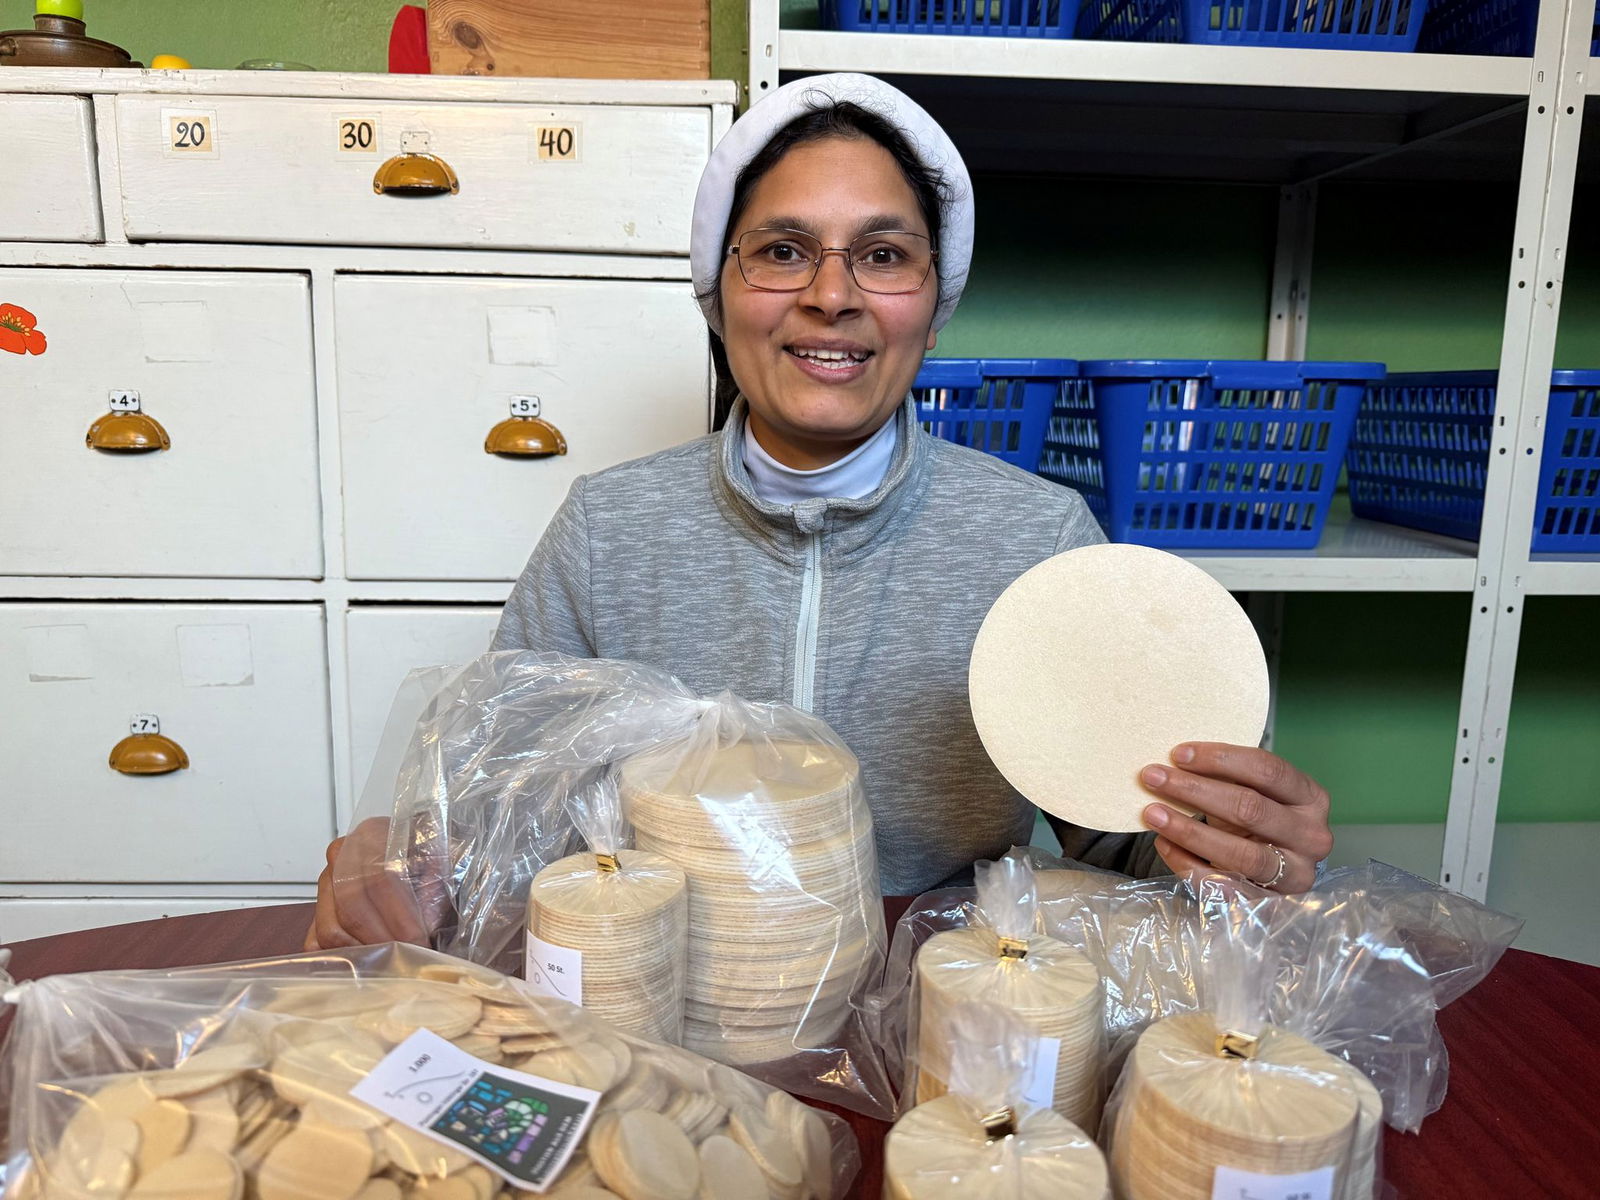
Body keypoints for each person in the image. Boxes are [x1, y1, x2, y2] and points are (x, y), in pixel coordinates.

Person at [306, 74, 1332, 951]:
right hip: (666, 1017)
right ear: (717, 297)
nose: (831, 294)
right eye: (783, 250)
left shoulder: (1036, 541)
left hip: (934, 1025)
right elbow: (496, 815)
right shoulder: (608, 532)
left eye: (882, 256)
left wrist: (1229, 849)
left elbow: (1128, 843)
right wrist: (405, 860)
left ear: (933, 306)